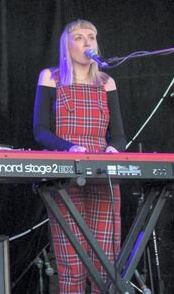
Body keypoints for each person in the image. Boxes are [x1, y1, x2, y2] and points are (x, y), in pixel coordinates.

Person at [32, 19, 127, 294]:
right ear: (66, 45)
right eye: (79, 37)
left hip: (103, 175)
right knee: (71, 263)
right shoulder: (51, 77)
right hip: (65, 172)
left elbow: (119, 135)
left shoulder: (107, 82)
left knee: (105, 263)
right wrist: (68, 148)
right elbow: (40, 131)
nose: (87, 42)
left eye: (92, 37)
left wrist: (113, 150)